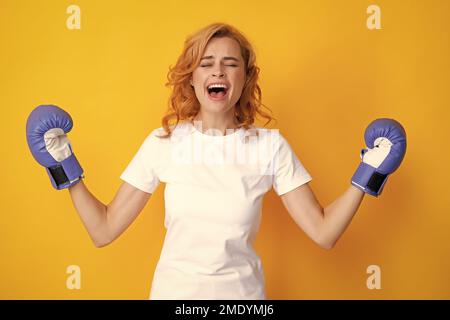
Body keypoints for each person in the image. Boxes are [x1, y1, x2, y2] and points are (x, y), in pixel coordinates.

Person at [25, 22, 407, 300]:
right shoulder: (164, 143)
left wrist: (368, 173)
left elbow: (323, 233)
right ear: (192, 78)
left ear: (244, 77)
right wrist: (63, 165)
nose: (218, 71)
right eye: (206, 63)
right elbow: (103, 231)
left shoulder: (269, 146)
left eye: (230, 63)